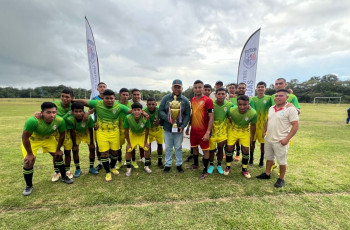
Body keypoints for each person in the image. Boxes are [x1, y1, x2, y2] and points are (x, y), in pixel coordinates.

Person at [74, 89, 131, 181]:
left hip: (115, 132)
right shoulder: (97, 103)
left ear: (114, 98)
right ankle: (107, 171)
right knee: (104, 152)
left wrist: (143, 112)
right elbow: (84, 102)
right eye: (107, 98)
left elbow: (131, 111)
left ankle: (112, 167)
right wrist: (72, 100)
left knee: (115, 152)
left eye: (111, 98)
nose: (109, 100)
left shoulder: (119, 106)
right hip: (101, 132)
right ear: (102, 99)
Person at [22, 102, 73, 196]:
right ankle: (29, 186)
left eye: (54, 112)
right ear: (42, 112)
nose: (52, 115)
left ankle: (64, 177)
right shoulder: (33, 121)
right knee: (29, 162)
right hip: (33, 140)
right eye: (48, 112)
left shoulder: (59, 120)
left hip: (48, 139)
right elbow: (25, 137)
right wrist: (29, 154)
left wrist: (58, 149)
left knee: (58, 156)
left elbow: (62, 136)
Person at [256, 89, 299, 188]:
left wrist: (287, 139)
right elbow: (268, 120)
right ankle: (267, 174)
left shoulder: (290, 109)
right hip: (269, 138)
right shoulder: (271, 108)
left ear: (287, 97)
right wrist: (264, 131)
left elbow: (295, 125)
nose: (277, 98)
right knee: (269, 158)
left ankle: (281, 179)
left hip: (280, 140)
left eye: (281, 96)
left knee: (282, 161)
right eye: (276, 96)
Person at [159, 79, 191, 173]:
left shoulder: (185, 100)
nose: (177, 89)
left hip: (179, 128)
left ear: (182, 88)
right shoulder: (166, 98)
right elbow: (160, 110)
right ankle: (168, 164)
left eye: (179, 87)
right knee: (168, 147)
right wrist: (168, 119)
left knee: (178, 147)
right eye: (175, 87)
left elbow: (188, 115)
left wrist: (183, 125)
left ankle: (179, 164)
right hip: (167, 127)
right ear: (172, 87)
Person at [186, 80, 214, 180]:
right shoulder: (193, 99)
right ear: (193, 89)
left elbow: (211, 117)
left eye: (199, 87)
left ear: (203, 88)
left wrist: (208, 132)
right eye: (195, 87)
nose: (197, 89)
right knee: (194, 148)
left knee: (205, 150)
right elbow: (192, 114)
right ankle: (196, 164)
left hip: (203, 131)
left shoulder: (208, 100)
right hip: (194, 130)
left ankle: (205, 170)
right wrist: (188, 127)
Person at [225, 95, 256, 179]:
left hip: (245, 130)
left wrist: (252, 136)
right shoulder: (231, 110)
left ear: (248, 104)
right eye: (240, 104)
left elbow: (253, 125)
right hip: (233, 129)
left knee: (246, 149)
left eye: (245, 104)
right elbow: (228, 117)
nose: (242, 107)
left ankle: (244, 169)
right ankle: (228, 166)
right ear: (237, 104)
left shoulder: (253, 112)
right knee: (229, 147)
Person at [65, 102, 97, 177]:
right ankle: (78, 169)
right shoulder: (70, 119)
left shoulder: (88, 118)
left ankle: (91, 167)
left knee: (92, 149)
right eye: (76, 111)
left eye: (80, 111)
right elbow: (72, 132)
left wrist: (92, 143)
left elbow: (90, 130)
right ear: (72, 112)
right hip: (76, 133)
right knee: (75, 150)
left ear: (83, 111)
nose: (78, 113)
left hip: (86, 132)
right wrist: (74, 144)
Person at [208, 87, 233, 175]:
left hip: (222, 130)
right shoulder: (211, 104)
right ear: (215, 95)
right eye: (219, 94)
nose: (221, 96)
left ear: (226, 95)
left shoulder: (229, 105)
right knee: (211, 149)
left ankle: (219, 165)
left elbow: (237, 111)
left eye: (223, 94)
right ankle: (211, 164)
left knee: (220, 148)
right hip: (212, 129)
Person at [124, 102, 152, 176]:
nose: (136, 111)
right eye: (135, 110)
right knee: (128, 149)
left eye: (138, 110)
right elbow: (126, 131)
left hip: (142, 135)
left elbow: (147, 130)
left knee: (146, 148)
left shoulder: (146, 117)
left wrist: (146, 141)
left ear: (141, 111)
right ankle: (128, 168)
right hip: (132, 135)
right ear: (132, 111)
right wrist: (129, 143)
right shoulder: (128, 118)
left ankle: (146, 166)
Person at [249, 81, 271, 167]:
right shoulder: (253, 99)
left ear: (265, 88)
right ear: (256, 88)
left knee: (263, 143)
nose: (260, 88)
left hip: (264, 125)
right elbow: (252, 111)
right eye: (259, 87)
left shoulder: (269, 98)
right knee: (252, 142)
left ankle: (261, 160)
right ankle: (251, 159)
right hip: (254, 124)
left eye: (262, 87)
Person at [144, 97, 164, 168]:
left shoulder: (159, 110)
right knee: (148, 145)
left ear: (156, 104)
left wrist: (160, 122)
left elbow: (164, 119)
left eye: (153, 104)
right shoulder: (144, 111)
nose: (151, 106)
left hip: (158, 130)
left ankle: (160, 161)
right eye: (149, 104)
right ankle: (148, 160)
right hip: (149, 130)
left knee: (160, 145)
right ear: (146, 104)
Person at [91, 82, 107, 172]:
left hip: (109, 126)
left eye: (104, 87)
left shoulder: (109, 99)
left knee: (109, 144)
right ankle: (100, 162)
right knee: (98, 144)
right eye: (100, 87)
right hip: (98, 125)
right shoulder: (94, 99)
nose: (102, 88)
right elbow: (90, 111)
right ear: (97, 89)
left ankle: (108, 162)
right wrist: (94, 122)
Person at [116, 88, 133, 170]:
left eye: (127, 95)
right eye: (124, 95)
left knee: (130, 144)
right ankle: (119, 162)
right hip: (118, 128)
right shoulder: (115, 104)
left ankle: (128, 160)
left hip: (129, 128)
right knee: (119, 146)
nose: (125, 96)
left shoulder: (131, 104)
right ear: (120, 95)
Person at [129, 88, 147, 162]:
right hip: (131, 126)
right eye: (134, 95)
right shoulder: (128, 103)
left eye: (138, 94)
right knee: (131, 144)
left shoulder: (144, 104)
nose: (136, 96)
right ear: (131, 95)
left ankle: (142, 157)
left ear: (140, 95)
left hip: (141, 125)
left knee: (141, 143)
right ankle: (132, 159)